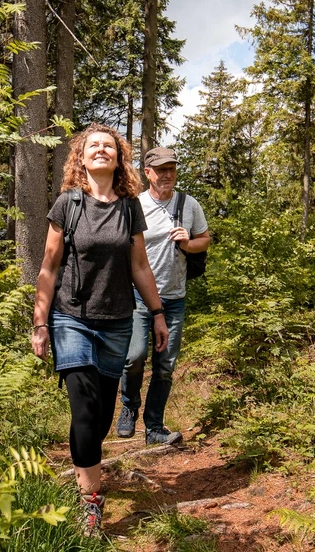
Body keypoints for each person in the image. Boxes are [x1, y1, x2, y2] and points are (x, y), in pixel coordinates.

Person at [30, 124, 170, 536]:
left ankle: (85, 471)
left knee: (103, 415)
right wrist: (40, 323)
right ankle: (91, 502)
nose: (101, 150)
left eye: (109, 146)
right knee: (85, 409)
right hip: (71, 317)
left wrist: (158, 313)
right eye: (94, 146)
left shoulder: (129, 208)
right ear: (82, 157)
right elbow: (48, 267)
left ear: (119, 157)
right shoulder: (67, 205)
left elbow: (140, 267)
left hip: (117, 320)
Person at [116, 146, 211, 445]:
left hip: (174, 297)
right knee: (133, 357)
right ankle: (129, 407)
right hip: (139, 296)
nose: (167, 174)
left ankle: (154, 427)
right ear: (147, 173)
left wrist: (188, 242)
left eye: (171, 168)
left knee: (165, 365)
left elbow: (205, 241)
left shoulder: (189, 204)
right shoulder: (135, 205)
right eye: (160, 169)